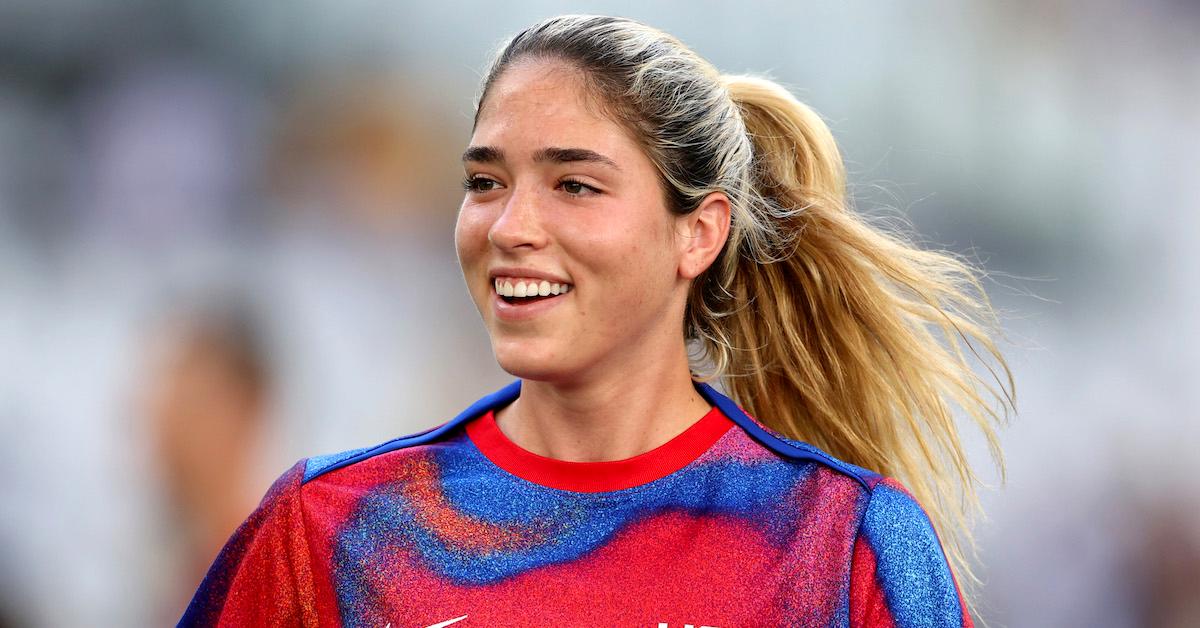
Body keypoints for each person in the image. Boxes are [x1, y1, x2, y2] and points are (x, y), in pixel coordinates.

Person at [180, 14, 1014, 627]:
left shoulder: (844, 544)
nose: (510, 227)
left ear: (699, 232)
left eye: (574, 185)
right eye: (485, 182)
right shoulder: (330, 529)